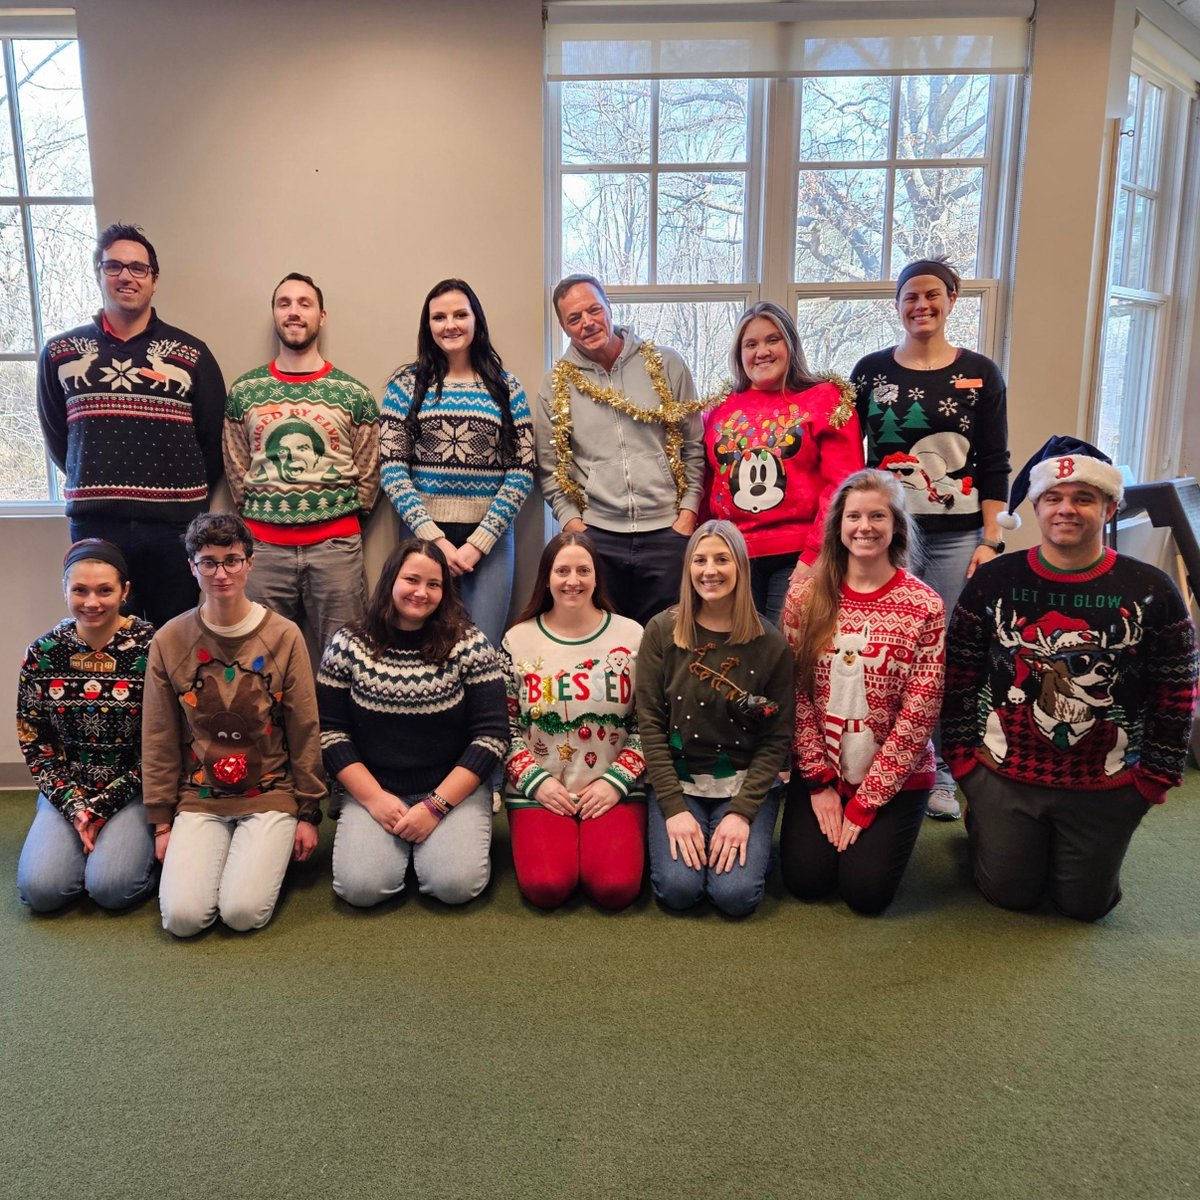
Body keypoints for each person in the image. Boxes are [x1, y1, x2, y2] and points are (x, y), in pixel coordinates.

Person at [944, 436, 1198, 921]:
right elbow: (958, 676)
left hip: (1106, 778)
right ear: (1036, 507)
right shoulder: (994, 581)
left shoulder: (1152, 590)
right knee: (1010, 895)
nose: (1067, 509)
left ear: (1109, 507)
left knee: (1086, 906)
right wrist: (963, 765)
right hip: (1006, 773)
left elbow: (1177, 690)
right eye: (1054, 498)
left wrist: (1153, 780)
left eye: (1084, 498)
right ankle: (986, 823)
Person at [851, 257, 1010, 820]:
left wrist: (991, 540)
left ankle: (938, 766)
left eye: (932, 295)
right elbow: (853, 458)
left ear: (951, 300)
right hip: (887, 537)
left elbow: (994, 462)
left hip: (956, 537)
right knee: (881, 651)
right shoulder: (869, 372)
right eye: (910, 296)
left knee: (938, 654)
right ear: (896, 305)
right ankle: (876, 758)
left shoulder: (981, 373)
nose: (921, 305)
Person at [141, 513, 325, 936]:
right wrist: (162, 821)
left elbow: (304, 727)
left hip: (270, 792)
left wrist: (309, 811)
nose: (221, 573)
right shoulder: (169, 640)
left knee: (242, 913)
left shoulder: (284, 635)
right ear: (192, 567)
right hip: (200, 795)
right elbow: (159, 734)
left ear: (250, 563)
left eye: (231, 560)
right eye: (208, 562)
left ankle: (258, 857)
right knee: (183, 919)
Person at [36, 223, 226, 628]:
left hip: (175, 528)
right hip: (97, 523)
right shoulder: (61, 353)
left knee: (176, 636)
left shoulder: (190, 354)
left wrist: (181, 500)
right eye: (114, 266)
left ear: (154, 280)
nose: (126, 276)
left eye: (138, 268)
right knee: (104, 635)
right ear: (99, 274)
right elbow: (59, 439)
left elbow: (213, 443)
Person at [779, 470, 945, 915]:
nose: (864, 527)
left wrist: (867, 800)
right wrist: (818, 782)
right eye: (853, 516)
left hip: (894, 773)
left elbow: (920, 712)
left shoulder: (924, 605)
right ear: (838, 525)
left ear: (896, 525)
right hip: (823, 766)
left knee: (865, 894)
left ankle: (882, 829)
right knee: (806, 881)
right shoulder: (805, 597)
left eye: (877, 516)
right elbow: (794, 694)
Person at [317, 539, 507, 907]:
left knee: (454, 886)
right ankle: (401, 848)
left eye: (434, 584)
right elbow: (331, 732)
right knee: (361, 889)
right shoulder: (348, 643)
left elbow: (491, 736)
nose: (421, 592)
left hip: (452, 787)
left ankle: (429, 846)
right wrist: (374, 800)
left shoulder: (469, 643)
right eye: (411, 580)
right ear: (391, 579)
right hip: (376, 787)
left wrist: (435, 807)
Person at [636, 520, 794, 916]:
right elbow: (649, 724)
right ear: (688, 568)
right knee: (677, 890)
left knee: (735, 896)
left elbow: (776, 738)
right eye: (700, 560)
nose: (710, 571)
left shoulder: (770, 643)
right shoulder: (662, 631)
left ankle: (750, 846)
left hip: (743, 783)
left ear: (740, 566)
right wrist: (674, 809)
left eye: (722, 560)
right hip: (678, 781)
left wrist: (742, 813)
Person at [535, 274, 707, 626]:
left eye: (594, 310)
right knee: (604, 641)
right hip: (597, 536)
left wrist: (687, 514)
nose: (587, 323)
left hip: (668, 531)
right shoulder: (555, 385)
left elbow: (693, 445)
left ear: (609, 307)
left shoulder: (665, 364)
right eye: (574, 318)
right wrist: (574, 524)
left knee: (668, 639)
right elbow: (549, 468)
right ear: (564, 327)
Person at [224, 272, 380, 657]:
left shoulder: (354, 394)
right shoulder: (244, 392)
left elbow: (369, 471)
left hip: (336, 550)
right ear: (275, 314)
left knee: (346, 657)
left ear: (321, 316)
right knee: (257, 659)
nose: (294, 312)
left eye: (304, 303)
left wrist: (339, 519)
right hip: (263, 551)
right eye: (284, 303)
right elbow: (237, 467)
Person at [380, 279, 533, 649]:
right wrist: (435, 540)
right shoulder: (405, 386)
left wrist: (478, 543)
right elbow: (392, 469)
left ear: (476, 319)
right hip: (422, 536)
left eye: (460, 315)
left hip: (490, 540)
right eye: (439, 317)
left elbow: (522, 469)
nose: (450, 325)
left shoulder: (507, 387)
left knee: (482, 648)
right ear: (428, 325)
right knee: (419, 644)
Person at [501, 532, 647, 909]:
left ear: (597, 577)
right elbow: (502, 727)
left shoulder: (632, 636)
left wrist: (617, 781)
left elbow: (650, 723)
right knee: (546, 886)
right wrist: (537, 782)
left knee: (615, 888)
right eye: (562, 570)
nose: (573, 580)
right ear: (546, 578)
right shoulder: (518, 639)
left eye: (583, 570)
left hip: (613, 787)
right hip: (541, 789)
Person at [16, 540, 157, 913]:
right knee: (41, 892)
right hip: (69, 788)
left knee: (113, 889)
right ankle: (79, 844)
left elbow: (165, 742)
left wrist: (105, 806)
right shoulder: (42, 653)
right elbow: (35, 741)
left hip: (134, 789)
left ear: (125, 591)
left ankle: (120, 855)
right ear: (64, 590)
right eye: (80, 590)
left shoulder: (154, 648)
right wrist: (75, 807)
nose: (91, 602)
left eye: (104, 590)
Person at [704, 302, 864, 625]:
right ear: (739, 354)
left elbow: (843, 484)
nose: (762, 352)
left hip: (797, 555)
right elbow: (708, 482)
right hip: (732, 554)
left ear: (790, 344)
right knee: (738, 647)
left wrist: (816, 553)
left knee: (786, 647)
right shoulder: (720, 408)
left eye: (772, 340)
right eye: (751, 344)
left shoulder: (824, 398)